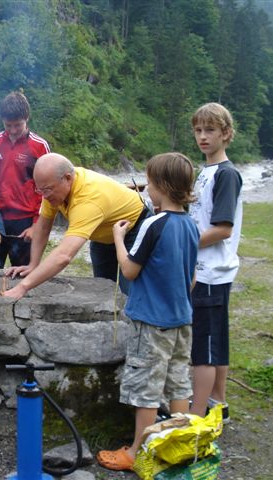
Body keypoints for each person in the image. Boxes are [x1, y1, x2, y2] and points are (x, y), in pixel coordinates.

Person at [96, 152, 199, 472]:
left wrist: (117, 238)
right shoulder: (192, 225)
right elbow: (192, 278)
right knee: (179, 382)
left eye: (150, 183)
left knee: (147, 389)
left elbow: (128, 269)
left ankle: (138, 453)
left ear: (162, 187)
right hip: (182, 320)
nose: (148, 189)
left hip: (151, 323)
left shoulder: (153, 224)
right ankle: (177, 446)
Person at [3, 153, 149, 300]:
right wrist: (33, 265)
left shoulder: (89, 199)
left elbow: (64, 256)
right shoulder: (53, 186)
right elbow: (43, 227)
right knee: (104, 291)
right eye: (40, 190)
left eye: (46, 190)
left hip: (134, 230)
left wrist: (23, 287)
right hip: (104, 235)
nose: (44, 196)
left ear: (67, 178)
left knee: (130, 293)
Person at [189, 103, 243, 422]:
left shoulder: (227, 174)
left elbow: (222, 229)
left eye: (210, 130)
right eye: (198, 130)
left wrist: (182, 242)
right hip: (206, 272)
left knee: (204, 349)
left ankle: (196, 417)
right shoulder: (205, 172)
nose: (203, 136)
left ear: (226, 133)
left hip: (211, 273)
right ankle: (217, 404)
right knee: (216, 341)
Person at [0, 91, 50, 268]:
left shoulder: (39, 146)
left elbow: (48, 189)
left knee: (21, 274)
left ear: (26, 118)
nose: (12, 131)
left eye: (17, 125)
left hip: (25, 221)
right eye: (8, 125)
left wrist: (36, 225)